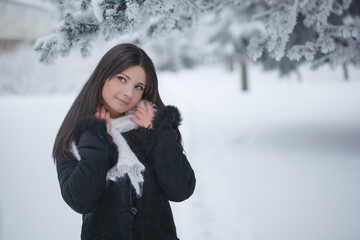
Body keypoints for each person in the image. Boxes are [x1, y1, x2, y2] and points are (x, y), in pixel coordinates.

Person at [52, 43, 196, 240]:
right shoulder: (76, 136)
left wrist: (156, 135)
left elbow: (181, 190)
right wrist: (96, 138)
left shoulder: (154, 126)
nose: (129, 92)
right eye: (122, 79)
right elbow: (80, 201)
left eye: (138, 86)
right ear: (103, 76)